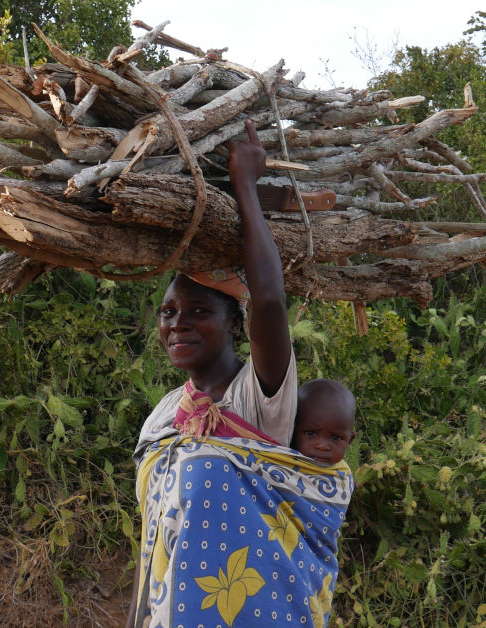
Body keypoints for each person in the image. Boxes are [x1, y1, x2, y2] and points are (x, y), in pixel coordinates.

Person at [129, 121, 354, 628]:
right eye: (167, 312)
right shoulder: (164, 415)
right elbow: (154, 549)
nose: (177, 323)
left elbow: (270, 298)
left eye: (197, 311)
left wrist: (245, 186)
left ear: (236, 321)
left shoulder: (260, 395)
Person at [291, 379, 357, 465]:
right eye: (310, 433)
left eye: (336, 437)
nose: (322, 446)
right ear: (293, 430)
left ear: (349, 440)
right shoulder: (276, 461)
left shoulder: (342, 475)